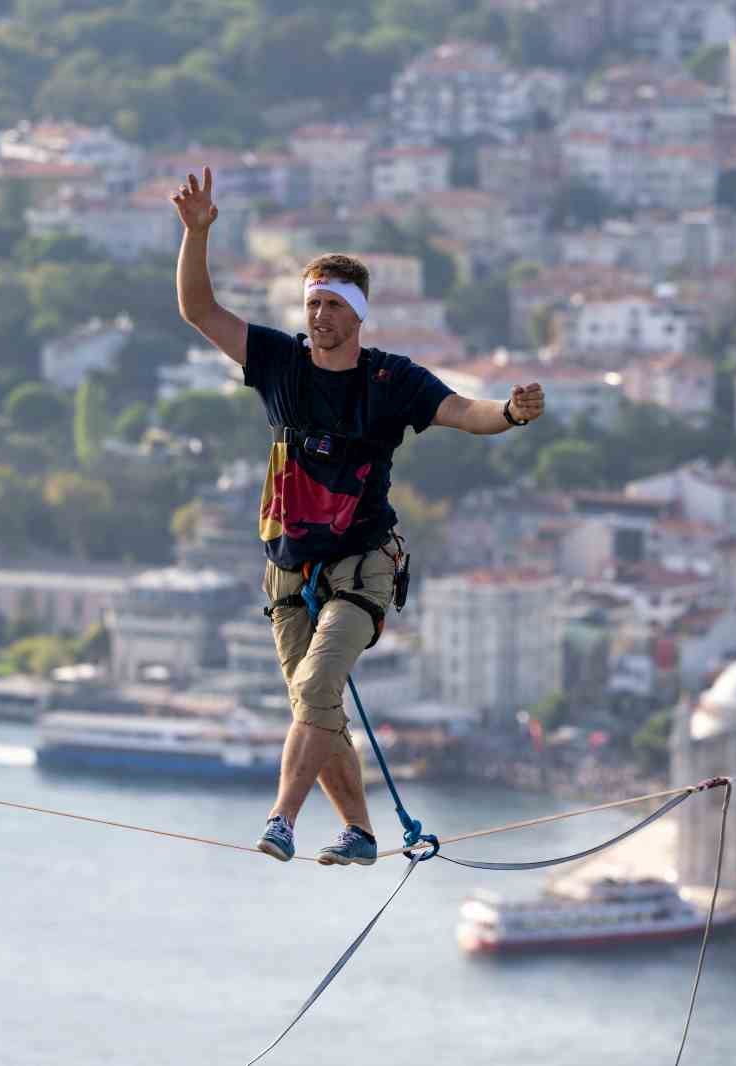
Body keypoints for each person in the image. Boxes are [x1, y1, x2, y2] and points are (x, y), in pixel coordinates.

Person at [171, 167, 545, 866]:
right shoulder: (279, 364)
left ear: (358, 314)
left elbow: (464, 411)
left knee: (315, 688)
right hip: (286, 571)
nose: (319, 316)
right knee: (318, 711)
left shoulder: (390, 380)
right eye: (312, 303)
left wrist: (511, 413)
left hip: (362, 566)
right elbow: (200, 310)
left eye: (333, 305)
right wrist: (197, 236)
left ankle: (281, 819)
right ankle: (362, 833)